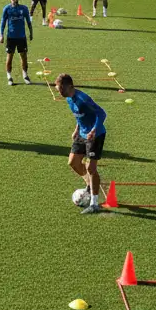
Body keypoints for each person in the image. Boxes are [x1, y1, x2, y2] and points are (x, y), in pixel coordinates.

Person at [55, 73, 106, 214]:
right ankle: (89, 184)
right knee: (73, 162)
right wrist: (76, 129)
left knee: (91, 168)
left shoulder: (83, 99)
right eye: (58, 89)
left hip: (96, 135)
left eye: (60, 89)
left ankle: (94, 204)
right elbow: (79, 116)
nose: (59, 92)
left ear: (70, 86)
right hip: (82, 134)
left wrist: (94, 130)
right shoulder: (69, 99)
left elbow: (102, 113)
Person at [0, 0, 34, 85]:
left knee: (24, 57)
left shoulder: (24, 9)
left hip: (21, 37)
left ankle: (25, 75)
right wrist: (1, 35)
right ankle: (9, 76)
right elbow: (3, 22)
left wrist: (31, 33)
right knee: (10, 57)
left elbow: (28, 22)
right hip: (11, 37)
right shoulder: (7, 9)